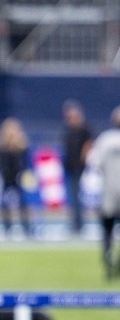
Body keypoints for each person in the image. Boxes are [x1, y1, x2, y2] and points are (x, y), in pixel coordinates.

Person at [86, 107, 120, 278]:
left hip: (109, 193)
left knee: (107, 231)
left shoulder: (105, 139)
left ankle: (108, 261)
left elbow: (93, 162)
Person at [0, 118, 34, 239]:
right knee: (4, 203)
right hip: (6, 177)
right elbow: (0, 163)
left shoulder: (22, 144)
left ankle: (26, 228)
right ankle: (7, 227)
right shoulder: (1, 144)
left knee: (22, 202)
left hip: (18, 177)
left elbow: (25, 162)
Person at [61, 100, 93, 238]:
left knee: (77, 196)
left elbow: (89, 144)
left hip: (80, 167)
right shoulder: (68, 130)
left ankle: (79, 224)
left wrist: (84, 158)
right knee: (72, 197)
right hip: (70, 166)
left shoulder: (84, 129)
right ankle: (76, 223)